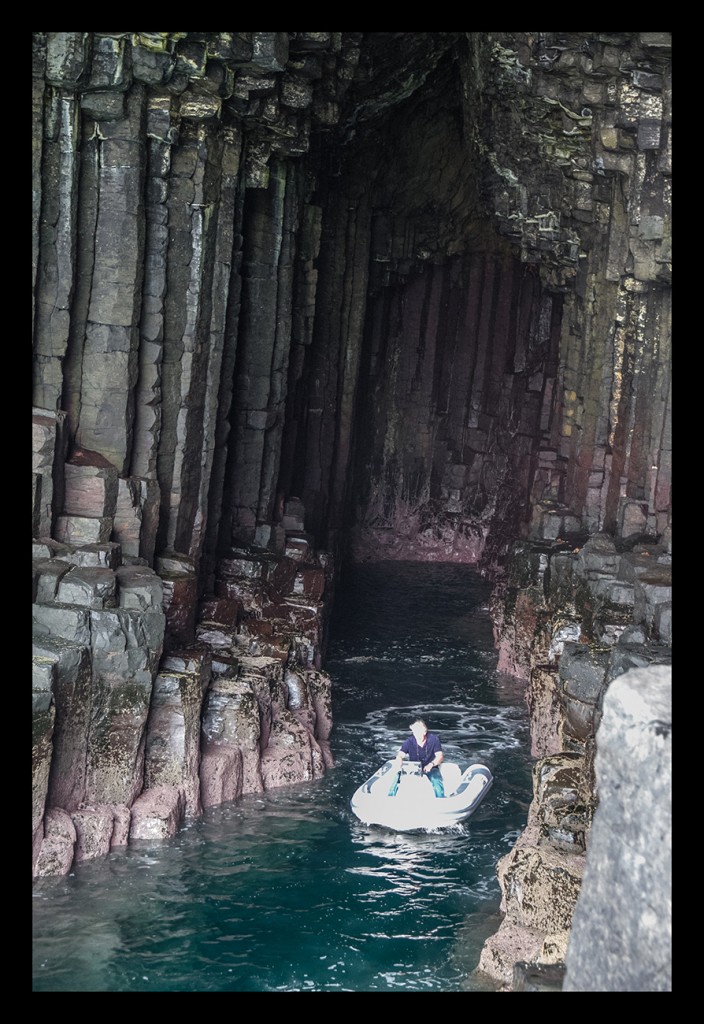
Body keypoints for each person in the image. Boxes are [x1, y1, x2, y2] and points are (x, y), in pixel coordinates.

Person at [389, 718, 445, 797]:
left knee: (436, 781)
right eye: (414, 732)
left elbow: (440, 756)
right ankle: (390, 797)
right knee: (397, 777)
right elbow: (400, 755)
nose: (416, 735)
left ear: (425, 732)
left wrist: (431, 764)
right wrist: (399, 760)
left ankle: (441, 800)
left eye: (419, 732)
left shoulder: (434, 739)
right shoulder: (409, 741)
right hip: (413, 768)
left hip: (431, 767)